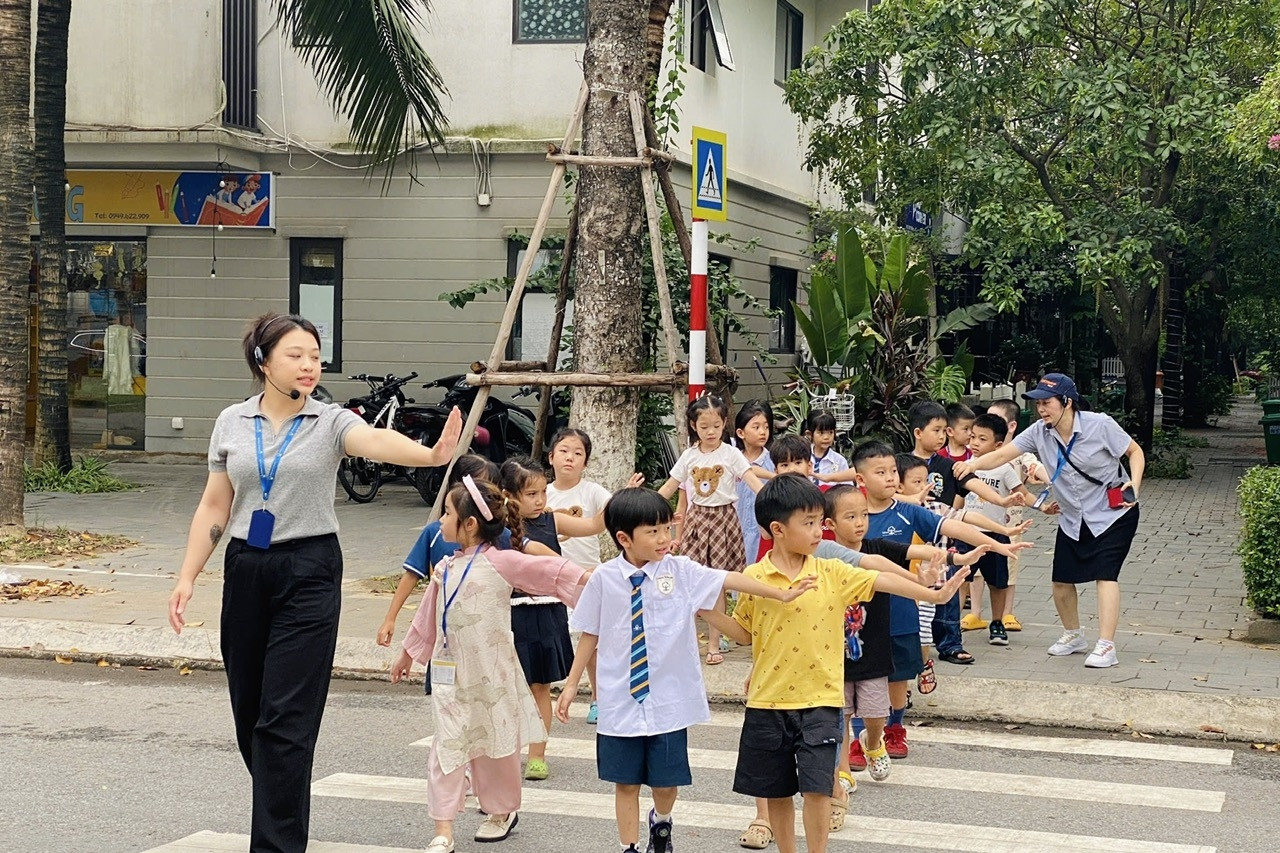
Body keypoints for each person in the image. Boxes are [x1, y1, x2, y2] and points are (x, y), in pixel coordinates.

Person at [166, 312, 463, 853]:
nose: (309, 365)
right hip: (247, 567)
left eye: (315, 355)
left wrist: (431, 456)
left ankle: (276, 846)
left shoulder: (330, 422)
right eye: (295, 355)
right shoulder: (232, 422)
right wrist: (188, 575)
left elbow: (373, 441)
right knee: (251, 718)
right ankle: (282, 810)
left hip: (310, 570)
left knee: (285, 720)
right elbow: (215, 502)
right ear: (263, 361)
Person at [701, 474, 968, 853]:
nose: (817, 531)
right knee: (776, 791)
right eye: (807, 523)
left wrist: (931, 592)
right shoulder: (755, 577)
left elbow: (880, 580)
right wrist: (706, 611)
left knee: (818, 789)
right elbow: (745, 634)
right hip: (767, 702)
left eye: (818, 521)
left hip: (822, 701)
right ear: (778, 529)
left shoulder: (830, 571)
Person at [554, 488, 816, 853]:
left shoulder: (681, 571)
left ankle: (661, 822)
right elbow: (590, 633)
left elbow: (729, 579)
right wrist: (571, 684)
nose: (665, 539)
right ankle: (628, 847)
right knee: (625, 783)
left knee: (664, 782)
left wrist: (780, 593)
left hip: (667, 699)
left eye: (667, 528)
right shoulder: (604, 578)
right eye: (654, 532)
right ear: (624, 539)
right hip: (620, 698)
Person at [390, 477, 591, 853]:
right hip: (451, 678)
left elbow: (549, 574)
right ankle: (444, 828)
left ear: (469, 524)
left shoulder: (502, 562)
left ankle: (501, 811)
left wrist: (588, 578)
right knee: (447, 746)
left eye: (448, 513)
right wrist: (408, 652)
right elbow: (429, 615)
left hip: (494, 674)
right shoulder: (446, 567)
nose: (441, 519)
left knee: (497, 746)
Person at [853, 440, 1030, 758]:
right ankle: (855, 737)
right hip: (856, 614)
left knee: (899, 676)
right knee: (857, 675)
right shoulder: (848, 512)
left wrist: (1000, 544)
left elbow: (957, 525)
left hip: (901, 605)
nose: (891, 477)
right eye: (881, 472)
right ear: (860, 479)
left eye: (893, 470)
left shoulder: (908, 512)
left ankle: (894, 729)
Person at [956, 373, 1144, 669]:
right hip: (1073, 516)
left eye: (1047, 402)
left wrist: (1133, 484)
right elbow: (1003, 454)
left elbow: (1134, 451)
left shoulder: (1100, 425)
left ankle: (1106, 645)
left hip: (1114, 512)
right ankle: (1073, 635)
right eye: (1038, 403)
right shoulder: (1038, 432)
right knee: (1060, 580)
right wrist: (971, 465)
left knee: (1105, 575)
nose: (1041, 409)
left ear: (1067, 402)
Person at [501, 455, 614, 781]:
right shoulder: (498, 528)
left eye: (542, 492)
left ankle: (537, 755)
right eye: (531, 494)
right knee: (507, 688)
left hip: (548, 613)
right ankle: (504, 754)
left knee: (540, 686)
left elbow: (594, 525)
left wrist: (623, 501)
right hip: (509, 615)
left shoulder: (552, 520)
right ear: (509, 495)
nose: (540, 501)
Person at [907, 400, 1025, 668]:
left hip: (945, 541)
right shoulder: (901, 463)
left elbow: (974, 484)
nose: (942, 436)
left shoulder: (950, 466)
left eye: (944, 430)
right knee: (910, 596)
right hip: (910, 543)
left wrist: (1002, 501)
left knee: (948, 595)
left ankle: (951, 644)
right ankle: (912, 644)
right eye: (936, 430)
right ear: (917, 432)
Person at [658, 395, 765, 664]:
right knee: (690, 582)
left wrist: (774, 503)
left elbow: (752, 481)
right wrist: (644, 508)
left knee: (717, 584)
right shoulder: (689, 456)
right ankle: (689, 643)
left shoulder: (731, 454)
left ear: (724, 423)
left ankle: (714, 644)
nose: (710, 432)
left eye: (716, 426)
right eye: (704, 426)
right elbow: (670, 487)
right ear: (694, 425)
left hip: (724, 521)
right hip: (696, 522)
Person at [545, 427, 638, 725]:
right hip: (550, 579)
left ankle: (599, 698)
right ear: (551, 457)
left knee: (591, 640)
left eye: (578, 453)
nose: (570, 458)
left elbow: (614, 514)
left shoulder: (593, 491)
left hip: (587, 577)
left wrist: (628, 494)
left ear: (585, 462)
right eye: (564, 451)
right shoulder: (542, 494)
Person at [961, 413, 1058, 646]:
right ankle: (950, 623)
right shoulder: (963, 466)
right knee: (960, 578)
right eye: (972, 437)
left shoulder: (1003, 469)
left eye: (982, 439)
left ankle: (996, 622)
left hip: (995, 535)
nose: (974, 443)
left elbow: (1022, 494)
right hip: (964, 533)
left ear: (998, 445)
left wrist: (1043, 507)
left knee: (998, 582)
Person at [734, 401, 777, 565]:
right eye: (756, 427)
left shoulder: (773, 462)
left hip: (761, 531)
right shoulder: (731, 459)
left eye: (766, 427)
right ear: (740, 432)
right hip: (734, 526)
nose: (763, 432)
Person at [806, 410, 849, 482]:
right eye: (821, 432)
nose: (826, 437)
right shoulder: (803, 457)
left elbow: (847, 486)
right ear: (809, 434)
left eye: (830, 432)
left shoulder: (839, 460)